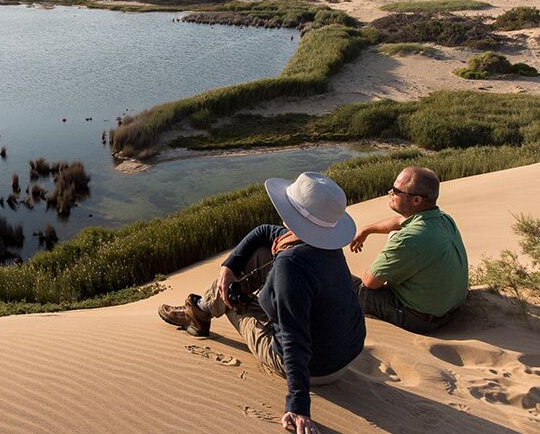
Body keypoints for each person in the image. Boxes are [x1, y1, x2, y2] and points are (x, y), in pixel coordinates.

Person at [158, 173, 365, 434]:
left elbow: (294, 338)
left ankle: (199, 312)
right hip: (343, 356)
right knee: (258, 255)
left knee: (229, 294)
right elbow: (264, 232)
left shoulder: (291, 266)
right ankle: (201, 308)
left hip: (314, 370)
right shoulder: (325, 246)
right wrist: (229, 266)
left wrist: (298, 404)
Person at [349, 166, 467, 333]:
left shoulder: (409, 239)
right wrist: (366, 230)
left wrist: (387, 255)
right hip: (448, 308)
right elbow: (398, 222)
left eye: (396, 191)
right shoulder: (443, 219)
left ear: (416, 200)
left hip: (419, 319)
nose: (390, 192)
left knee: (346, 283)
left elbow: (370, 283)